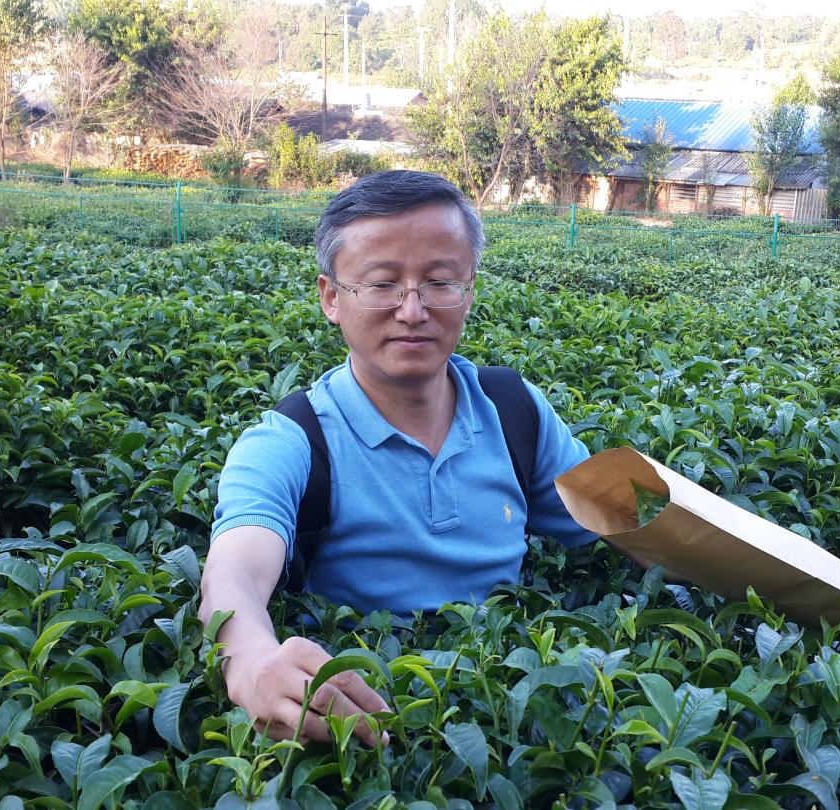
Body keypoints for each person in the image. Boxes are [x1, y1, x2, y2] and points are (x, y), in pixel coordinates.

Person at [198, 170, 607, 749]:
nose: (413, 310)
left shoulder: (515, 410)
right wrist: (250, 660)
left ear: (469, 291)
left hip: (516, 721)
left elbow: (622, 524)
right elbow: (234, 570)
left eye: (440, 282)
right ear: (331, 298)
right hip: (369, 725)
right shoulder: (291, 440)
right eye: (382, 284)